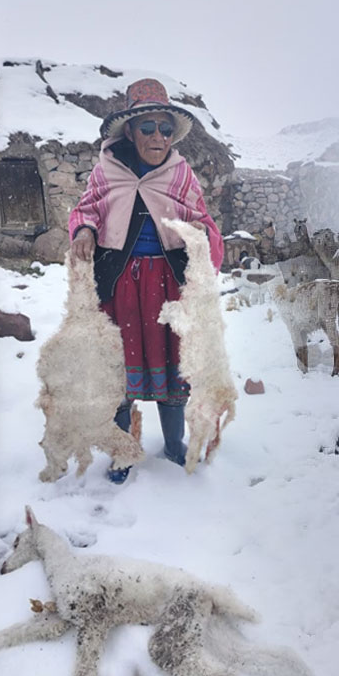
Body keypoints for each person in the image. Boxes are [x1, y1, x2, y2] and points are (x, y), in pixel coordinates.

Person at [68, 78, 224, 483]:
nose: (158, 136)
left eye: (165, 129)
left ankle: (173, 445)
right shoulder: (107, 171)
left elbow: (201, 219)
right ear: (131, 131)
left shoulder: (181, 174)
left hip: (169, 286)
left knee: (173, 369)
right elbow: (87, 209)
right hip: (119, 285)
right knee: (117, 373)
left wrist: (202, 237)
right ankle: (121, 453)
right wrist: (84, 230)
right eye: (148, 128)